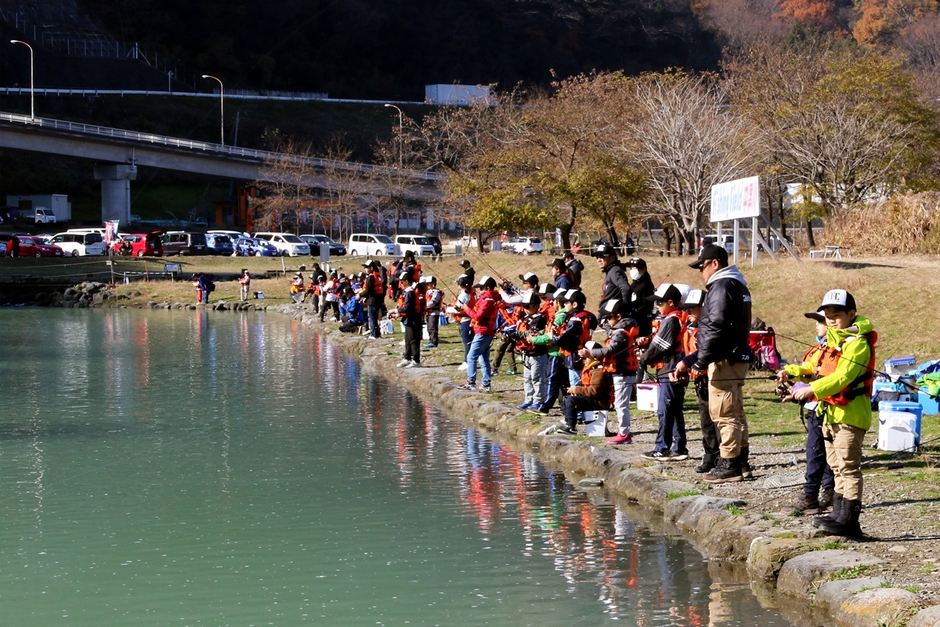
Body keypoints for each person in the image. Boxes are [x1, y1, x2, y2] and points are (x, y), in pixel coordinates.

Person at [783, 290, 875, 538]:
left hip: (850, 415)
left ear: (852, 314)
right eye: (828, 316)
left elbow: (843, 378)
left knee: (849, 468)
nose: (832, 320)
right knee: (835, 466)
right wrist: (790, 373)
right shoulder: (832, 342)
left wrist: (811, 390)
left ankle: (850, 521)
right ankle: (838, 514)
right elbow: (813, 368)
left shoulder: (858, 344)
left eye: (837, 315)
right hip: (830, 414)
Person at [674, 244, 754, 483]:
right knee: (736, 411)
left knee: (723, 412)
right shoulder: (738, 285)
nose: (701, 271)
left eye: (702, 266)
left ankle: (729, 463)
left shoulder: (721, 286)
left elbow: (714, 327)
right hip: (737, 356)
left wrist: (700, 360)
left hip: (724, 359)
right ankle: (741, 462)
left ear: (715, 263)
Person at [776, 312, 836, 515]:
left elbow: (828, 378)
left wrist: (805, 391)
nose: (817, 326)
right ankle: (829, 493)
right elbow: (810, 370)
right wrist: (791, 375)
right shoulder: (820, 347)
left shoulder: (836, 348)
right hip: (817, 407)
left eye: (820, 322)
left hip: (825, 408)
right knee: (823, 452)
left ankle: (811, 495)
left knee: (816, 452)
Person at [672, 289, 721, 473]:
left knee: (717, 421)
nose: (689, 312)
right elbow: (686, 352)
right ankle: (710, 456)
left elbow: (703, 353)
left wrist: (685, 363)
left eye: (693, 308)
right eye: (687, 308)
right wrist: (678, 367)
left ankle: (722, 458)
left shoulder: (710, 329)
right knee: (705, 421)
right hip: (699, 382)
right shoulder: (690, 330)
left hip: (713, 380)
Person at [639, 284, 689, 461]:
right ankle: (679, 448)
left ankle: (662, 448)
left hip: (669, 371)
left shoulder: (671, 320)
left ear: (671, 302)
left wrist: (643, 359)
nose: (657, 306)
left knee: (665, 410)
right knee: (674, 410)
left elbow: (659, 346)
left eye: (660, 302)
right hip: (674, 370)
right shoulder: (675, 319)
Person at [580, 299, 639, 445]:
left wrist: (590, 353)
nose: (606, 320)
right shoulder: (617, 330)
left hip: (623, 373)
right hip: (620, 373)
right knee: (620, 404)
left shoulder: (620, 334)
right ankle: (623, 432)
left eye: (609, 317)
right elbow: (604, 324)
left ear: (618, 317)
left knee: (621, 405)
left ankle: (624, 434)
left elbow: (608, 350)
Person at [529, 289, 570, 415]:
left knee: (551, 380)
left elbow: (550, 337)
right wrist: (540, 333)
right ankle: (565, 407)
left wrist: (534, 339)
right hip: (565, 355)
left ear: (558, 302)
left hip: (556, 354)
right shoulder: (566, 315)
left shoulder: (560, 317)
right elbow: (549, 331)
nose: (552, 303)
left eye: (554, 301)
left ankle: (544, 407)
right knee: (565, 382)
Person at [457, 275, 501, 392]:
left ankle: (471, 382)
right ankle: (486, 384)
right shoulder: (490, 299)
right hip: (485, 331)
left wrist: (466, 308)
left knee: (471, 357)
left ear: (487, 287)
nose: (480, 291)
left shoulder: (487, 301)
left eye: (481, 288)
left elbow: (478, 316)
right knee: (483, 358)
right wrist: (464, 312)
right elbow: (477, 315)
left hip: (483, 332)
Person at [560, 343, 614, 435]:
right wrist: (577, 392)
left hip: (600, 402)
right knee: (567, 398)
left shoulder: (599, 370)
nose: (583, 360)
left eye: (586, 357)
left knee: (571, 401)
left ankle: (571, 428)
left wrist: (576, 390)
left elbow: (594, 391)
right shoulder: (590, 368)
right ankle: (568, 422)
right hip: (592, 398)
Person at [511, 292, 548, 410]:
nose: (525, 309)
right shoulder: (525, 318)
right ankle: (528, 399)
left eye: (528, 306)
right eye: (524, 306)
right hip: (526, 354)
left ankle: (538, 400)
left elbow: (533, 333)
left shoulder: (540, 319)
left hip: (538, 354)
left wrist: (518, 334)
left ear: (536, 305)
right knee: (527, 378)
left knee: (537, 378)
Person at [593, 243, 631, 315]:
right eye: (597, 257)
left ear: (612, 258)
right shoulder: (611, 271)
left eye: (602, 256)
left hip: (613, 316)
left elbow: (626, 288)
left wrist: (624, 308)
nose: (598, 260)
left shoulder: (614, 271)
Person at [396, 270, 423, 368]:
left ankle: (416, 360)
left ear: (406, 281)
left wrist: (396, 310)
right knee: (407, 340)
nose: (401, 283)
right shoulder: (407, 292)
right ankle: (407, 358)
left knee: (413, 340)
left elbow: (408, 307)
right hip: (408, 320)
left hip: (413, 320)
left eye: (402, 281)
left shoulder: (409, 293)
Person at [625, 258, 656, 337]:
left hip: (642, 322)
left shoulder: (647, 285)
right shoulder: (634, 284)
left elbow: (647, 305)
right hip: (633, 320)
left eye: (634, 268)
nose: (632, 270)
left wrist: (634, 311)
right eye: (631, 268)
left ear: (643, 269)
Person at [362, 260, 387, 339]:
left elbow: (368, 290)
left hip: (372, 300)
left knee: (372, 318)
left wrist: (360, 295)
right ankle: (377, 333)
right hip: (378, 299)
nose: (365, 269)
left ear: (371, 268)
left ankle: (373, 334)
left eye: (367, 267)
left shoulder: (371, 277)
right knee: (375, 318)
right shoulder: (378, 276)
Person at [422, 276, 444, 349]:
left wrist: (425, 306)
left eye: (429, 284)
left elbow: (433, 302)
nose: (428, 285)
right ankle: (430, 340)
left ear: (433, 283)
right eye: (427, 284)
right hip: (428, 312)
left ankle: (434, 342)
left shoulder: (436, 292)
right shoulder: (428, 292)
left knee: (432, 327)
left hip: (434, 312)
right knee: (429, 327)